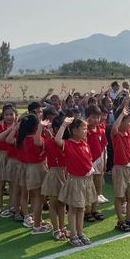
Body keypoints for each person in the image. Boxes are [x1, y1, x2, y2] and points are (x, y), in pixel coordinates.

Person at [56, 117, 96, 247]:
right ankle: (73, 234)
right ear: (74, 130)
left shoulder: (84, 144)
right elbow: (57, 140)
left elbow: (88, 160)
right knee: (73, 209)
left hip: (86, 180)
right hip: (75, 180)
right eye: (83, 128)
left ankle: (80, 232)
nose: (86, 131)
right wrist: (64, 125)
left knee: (81, 208)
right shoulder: (68, 144)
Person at [16, 114, 51, 234]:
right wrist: (46, 132)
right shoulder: (35, 139)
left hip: (27, 169)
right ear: (36, 127)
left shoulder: (23, 138)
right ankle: (37, 226)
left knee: (34, 197)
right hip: (37, 169)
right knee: (38, 199)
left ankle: (38, 220)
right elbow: (41, 143)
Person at [111, 106, 130, 232]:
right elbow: (114, 128)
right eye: (128, 121)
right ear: (121, 121)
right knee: (119, 196)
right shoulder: (117, 135)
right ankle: (120, 221)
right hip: (120, 168)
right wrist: (122, 114)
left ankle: (128, 219)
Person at [41, 115, 68, 240]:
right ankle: (56, 229)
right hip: (55, 173)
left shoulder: (67, 141)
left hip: (65, 172)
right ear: (57, 128)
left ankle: (62, 227)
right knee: (53, 202)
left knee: (62, 203)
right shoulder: (50, 141)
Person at [84, 105, 107, 222]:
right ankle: (87, 211)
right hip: (88, 163)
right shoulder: (84, 131)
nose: (96, 120)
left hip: (98, 162)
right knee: (89, 188)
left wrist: (103, 161)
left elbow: (103, 146)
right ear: (87, 118)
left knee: (97, 187)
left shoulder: (101, 130)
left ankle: (94, 209)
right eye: (93, 117)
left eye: (98, 117)